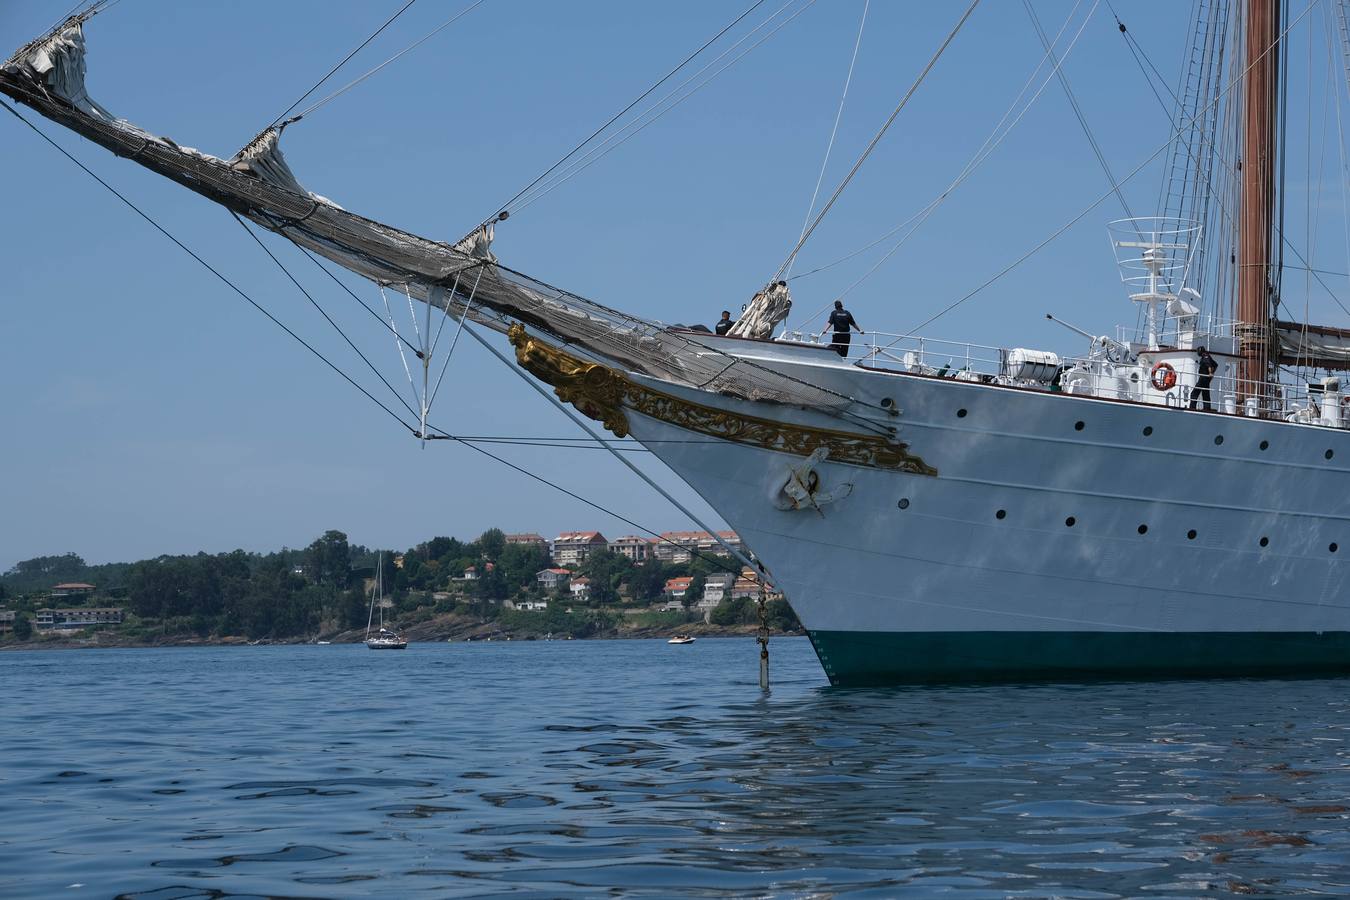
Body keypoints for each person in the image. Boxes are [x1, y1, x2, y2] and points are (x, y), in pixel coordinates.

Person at [1189, 346, 1217, 411]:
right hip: (1206, 379)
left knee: (1194, 393)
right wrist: (1212, 372)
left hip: (1203, 378)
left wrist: (1210, 373)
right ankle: (1207, 408)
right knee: (1205, 394)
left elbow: (1208, 365)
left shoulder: (1205, 356)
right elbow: (1215, 365)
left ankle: (1192, 408)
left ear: (1200, 351)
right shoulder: (1208, 356)